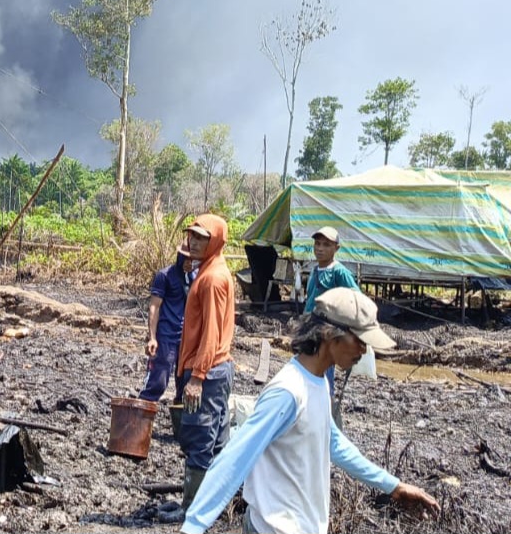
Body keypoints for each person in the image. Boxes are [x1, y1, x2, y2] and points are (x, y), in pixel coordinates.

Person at [181, 287, 440, 534]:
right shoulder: (288, 392)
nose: (364, 350)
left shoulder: (318, 383)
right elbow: (235, 458)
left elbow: (334, 443)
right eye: (360, 340)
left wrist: (392, 485)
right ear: (329, 333)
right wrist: (193, 525)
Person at [172, 214, 235, 515]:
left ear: (216, 241)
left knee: (198, 440)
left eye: (201, 237)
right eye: (191, 235)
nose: (192, 241)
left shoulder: (211, 280)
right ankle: (218, 505)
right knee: (217, 441)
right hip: (216, 369)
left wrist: (197, 377)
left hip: (207, 372)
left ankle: (192, 510)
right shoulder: (210, 271)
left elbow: (210, 331)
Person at [302, 226, 360, 395]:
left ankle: (325, 414)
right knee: (308, 375)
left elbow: (356, 298)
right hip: (309, 332)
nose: (320, 248)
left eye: (326, 245)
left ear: (336, 248)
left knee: (323, 380)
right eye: (317, 243)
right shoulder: (315, 270)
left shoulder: (339, 272)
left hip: (326, 336)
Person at [139, 240, 197, 402]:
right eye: (185, 258)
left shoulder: (195, 278)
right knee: (157, 382)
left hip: (186, 340)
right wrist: (152, 337)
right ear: (178, 256)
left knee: (184, 387)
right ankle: (139, 420)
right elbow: (154, 307)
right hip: (166, 337)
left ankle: (179, 424)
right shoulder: (165, 276)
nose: (188, 262)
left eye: (192, 259)